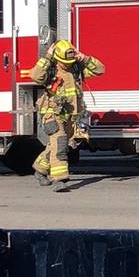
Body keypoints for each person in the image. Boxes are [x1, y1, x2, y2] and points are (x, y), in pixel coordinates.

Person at [30, 40, 105, 192]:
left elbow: (100, 70)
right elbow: (36, 76)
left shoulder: (76, 69)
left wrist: (83, 58)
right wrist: (47, 57)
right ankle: (60, 179)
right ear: (56, 58)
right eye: (64, 61)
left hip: (70, 116)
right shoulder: (50, 70)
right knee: (60, 143)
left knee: (55, 145)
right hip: (53, 114)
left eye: (70, 61)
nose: (67, 64)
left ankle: (40, 169)